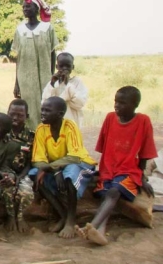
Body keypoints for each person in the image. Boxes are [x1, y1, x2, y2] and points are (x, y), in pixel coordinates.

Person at [77, 86, 157, 245]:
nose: (116, 105)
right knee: (106, 194)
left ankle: (93, 226)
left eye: (122, 102)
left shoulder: (143, 121)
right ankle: (99, 232)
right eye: (115, 101)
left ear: (135, 104)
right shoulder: (109, 118)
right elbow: (104, 148)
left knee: (114, 192)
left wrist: (142, 177)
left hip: (129, 170)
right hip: (108, 170)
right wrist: (100, 171)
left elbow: (145, 153)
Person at [30, 96, 96, 239]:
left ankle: (71, 221)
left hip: (80, 163)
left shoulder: (70, 126)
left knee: (70, 174)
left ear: (60, 114)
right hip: (57, 167)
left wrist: (55, 168)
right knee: (34, 174)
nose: (43, 113)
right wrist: (54, 170)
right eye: (42, 110)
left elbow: (74, 157)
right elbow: (38, 159)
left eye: (47, 111)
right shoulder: (41, 129)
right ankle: (63, 215)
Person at [12, 0, 58, 129]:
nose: (25, 9)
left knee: (45, 105)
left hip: (45, 76)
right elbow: (18, 59)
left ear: (37, 9)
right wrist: (17, 83)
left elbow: (52, 53)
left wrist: (51, 75)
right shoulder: (20, 30)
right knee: (29, 107)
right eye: (24, 7)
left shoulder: (47, 28)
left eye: (28, 6)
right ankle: (31, 138)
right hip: (25, 77)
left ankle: (46, 135)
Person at [4, 99, 36, 233]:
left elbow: (31, 161)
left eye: (20, 115)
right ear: (7, 113)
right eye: (12, 114)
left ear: (27, 116)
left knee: (26, 193)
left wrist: (21, 176)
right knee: (7, 190)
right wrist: (9, 175)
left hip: (24, 173)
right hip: (5, 172)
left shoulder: (32, 136)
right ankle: (10, 217)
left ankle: (20, 217)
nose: (15, 118)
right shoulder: (1, 133)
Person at [42, 53, 88, 128]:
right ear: (57, 66)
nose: (64, 69)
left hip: (71, 125)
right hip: (53, 126)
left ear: (72, 67)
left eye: (68, 66)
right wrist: (52, 84)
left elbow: (80, 104)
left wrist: (67, 85)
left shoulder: (77, 82)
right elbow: (44, 103)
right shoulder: (53, 83)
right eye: (61, 66)